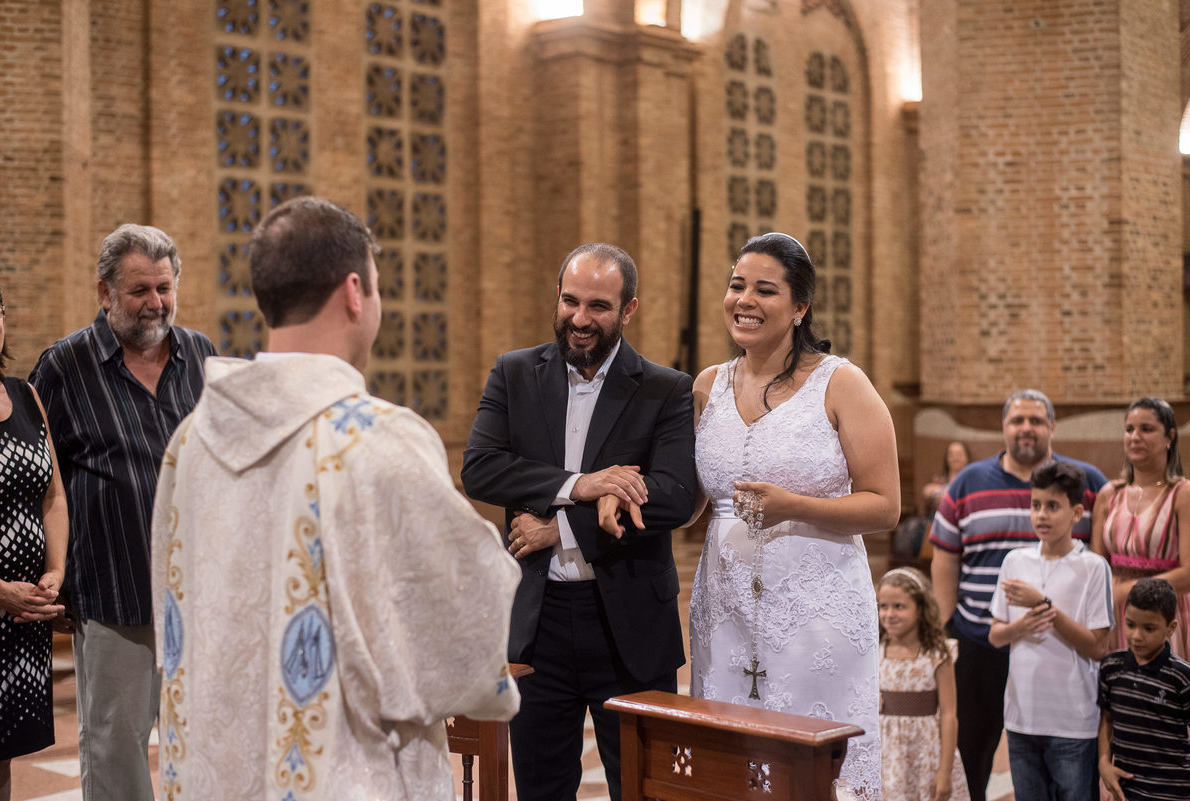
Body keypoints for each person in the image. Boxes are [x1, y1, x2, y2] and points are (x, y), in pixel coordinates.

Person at [150, 196, 521, 799]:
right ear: (356, 291)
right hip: (344, 773)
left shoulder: (189, 442)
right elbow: (464, 635)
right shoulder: (377, 441)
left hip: (214, 775)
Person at [462, 242, 695, 801]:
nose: (580, 319)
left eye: (598, 306)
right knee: (542, 789)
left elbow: (672, 497)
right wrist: (581, 486)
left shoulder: (667, 389)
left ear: (628, 310)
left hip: (630, 627)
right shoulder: (514, 373)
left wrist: (562, 528)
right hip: (537, 627)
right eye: (570, 301)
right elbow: (481, 468)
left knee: (643, 791)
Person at [688, 232, 899, 799]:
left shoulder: (841, 384)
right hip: (724, 606)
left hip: (817, 611)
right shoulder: (708, 386)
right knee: (728, 765)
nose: (744, 301)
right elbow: (691, 503)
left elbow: (885, 505)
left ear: (799, 307)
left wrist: (792, 507)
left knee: (813, 770)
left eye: (764, 290)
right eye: (736, 286)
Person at [29, 224, 215, 801]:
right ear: (105, 292)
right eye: (140, 290)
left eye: (164, 287)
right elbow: (42, 482)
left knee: (205, 743)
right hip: (114, 594)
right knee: (115, 746)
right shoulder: (64, 367)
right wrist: (56, 578)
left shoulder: (202, 355)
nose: (155, 303)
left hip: (199, 597)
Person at [929, 389, 1107, 801]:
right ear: (1003, 427)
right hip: (981, 638)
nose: (1026, 428)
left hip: (1062, 648)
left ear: (1052, 427)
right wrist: (943, 626)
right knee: (972, 746)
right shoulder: (968, 481)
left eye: (1036, 421)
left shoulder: (1087, 481)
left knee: (1064, 753)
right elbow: (945, 558)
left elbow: (1101, 555)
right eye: (1017, 420)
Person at [987, 461, 1112, 801]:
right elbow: (996, 635)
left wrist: (1043, 605)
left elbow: (1099, 648)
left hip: (1073, 722)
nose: (1041, 515)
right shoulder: (1015, 561)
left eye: (1053, 506)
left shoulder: (1093, 568)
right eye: (1036, 505)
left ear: (1076, 513)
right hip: (1021, 719)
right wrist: (1021, 626)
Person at [0, 278, 68, 801]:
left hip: (22, 617)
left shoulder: (25, 394)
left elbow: (54, 497)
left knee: (0, 756)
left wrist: (54, 572)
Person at [1091, 397, 1190, 658]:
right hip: (1114, 612)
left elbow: (1189, 574)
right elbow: (1096, 565)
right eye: (1129, 429)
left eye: (1146, 429)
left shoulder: (1182, 494)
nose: (1135, 437)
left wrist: (1129, 590)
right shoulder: (1109, 493)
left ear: (1169, 437)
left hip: (1164, 611)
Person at [877, 567, 969, 801]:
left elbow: (949, 715)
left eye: (899, 606)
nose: (889, 614)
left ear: (921, 608)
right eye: (883, 606)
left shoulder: (937, 654)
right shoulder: (875, 652)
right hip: (887, 755)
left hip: (925, 754)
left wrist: (944, 772)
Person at [1098, 577, 1190, 801]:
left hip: (1175, 792)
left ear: (1171, 628)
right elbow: (1107, 719)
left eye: (1149, 628)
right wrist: (1103, 763)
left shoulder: (1182, 676)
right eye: (1130, 624)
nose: (1136, 636)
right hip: (1127, 789)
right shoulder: (1111, 667)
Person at [921, 441, 972, 519]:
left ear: (967, 457)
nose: (955, 458)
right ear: (947, 458)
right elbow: (926, 491)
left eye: (959, 454)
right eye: (951, 454)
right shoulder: (941, 480)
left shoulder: (972, 480)